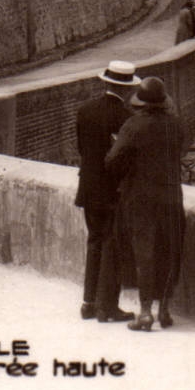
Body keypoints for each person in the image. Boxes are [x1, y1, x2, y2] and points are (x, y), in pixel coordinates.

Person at [105, 76, 185, 331]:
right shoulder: (176, 125)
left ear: (141, 102)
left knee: (145, 253)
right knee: (169, 250)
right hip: (171, 196)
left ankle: (146, 312)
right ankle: (165, 310)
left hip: (140, 198)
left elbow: (112, 162)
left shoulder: (133, 125)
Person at [74, 60, 138, 324]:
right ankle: (108, 307)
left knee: (94, 242)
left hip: (89, 187)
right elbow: (123, 159)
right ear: (127, 88)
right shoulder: (126, 118)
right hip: (112, 191)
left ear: (107, 83)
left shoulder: (85, 110)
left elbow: (81, 149)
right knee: (112, 247)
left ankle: (88, 303)